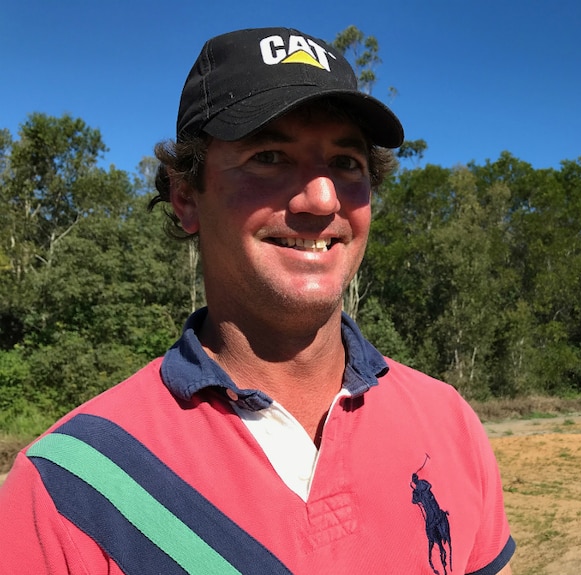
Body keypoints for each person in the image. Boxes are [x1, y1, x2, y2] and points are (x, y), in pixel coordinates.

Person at [0, 26, 515, 575]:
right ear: (184, 196)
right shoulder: (67, 490)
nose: (322, 199)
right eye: (269, 155)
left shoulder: (449, 420)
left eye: (347, 163)